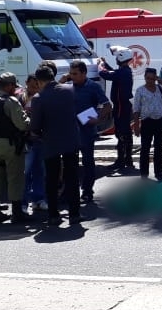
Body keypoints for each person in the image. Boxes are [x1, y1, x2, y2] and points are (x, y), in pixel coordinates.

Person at [29, 65, 84, 226]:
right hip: (70, 140)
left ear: (39, 81)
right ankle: (74, 214)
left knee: (51, 180)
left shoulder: (39, 98)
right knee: (72, 178)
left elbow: (35, 126)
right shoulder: (69, 90)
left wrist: (36, 134)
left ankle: (53, 214)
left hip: (50, 142)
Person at [0, 72, 30, 222]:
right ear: (9, 85)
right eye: (13, 86)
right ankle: (17, 213)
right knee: (15, 177)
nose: (15, 89)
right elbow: (22, 124)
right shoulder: (10, 101)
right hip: (11, 145)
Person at [67, 60, 111, 203]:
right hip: (71, 132)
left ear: (84, 73)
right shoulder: (67, 88)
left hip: (86, 132)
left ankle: (87, 191)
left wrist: (97, 119)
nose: (72, 76)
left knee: (88, 162)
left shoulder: (93, 87)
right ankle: (68, 192)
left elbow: (107, 106)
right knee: (70, 164)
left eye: (75, 74)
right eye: (71, 73)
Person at [98, 46, 135, 173]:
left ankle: (122, 160)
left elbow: (104, 73)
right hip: (123, 106)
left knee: (121, 133)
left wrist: (100, 64)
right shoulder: (124, 71)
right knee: (125, 132)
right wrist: (106, 64)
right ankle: (127, 159)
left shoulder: (123, 72)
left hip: (121, 107)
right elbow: (112, 72)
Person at [132, 67, 162, 180]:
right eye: (147, 78)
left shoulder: (160, 88)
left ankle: (159, 172)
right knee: (145, 148)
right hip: (147, 121)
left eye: (152, 78)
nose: (150, 81)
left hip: (160, 120)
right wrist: (136, 125)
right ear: (145, 77)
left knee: (158, 147)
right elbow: (136, 109)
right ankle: (144, 173)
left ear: (155, 78)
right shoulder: (140, 90)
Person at [21, 73, 47, 214]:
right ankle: (23, 203)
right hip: (27, 141)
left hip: (41, 139)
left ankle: (38, 199)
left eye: (37, 86)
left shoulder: (43, 97)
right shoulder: (21, 98)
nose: (35, 88)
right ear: (27, 84)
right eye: (32, 86)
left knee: (40, 171)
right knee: (25, 173)